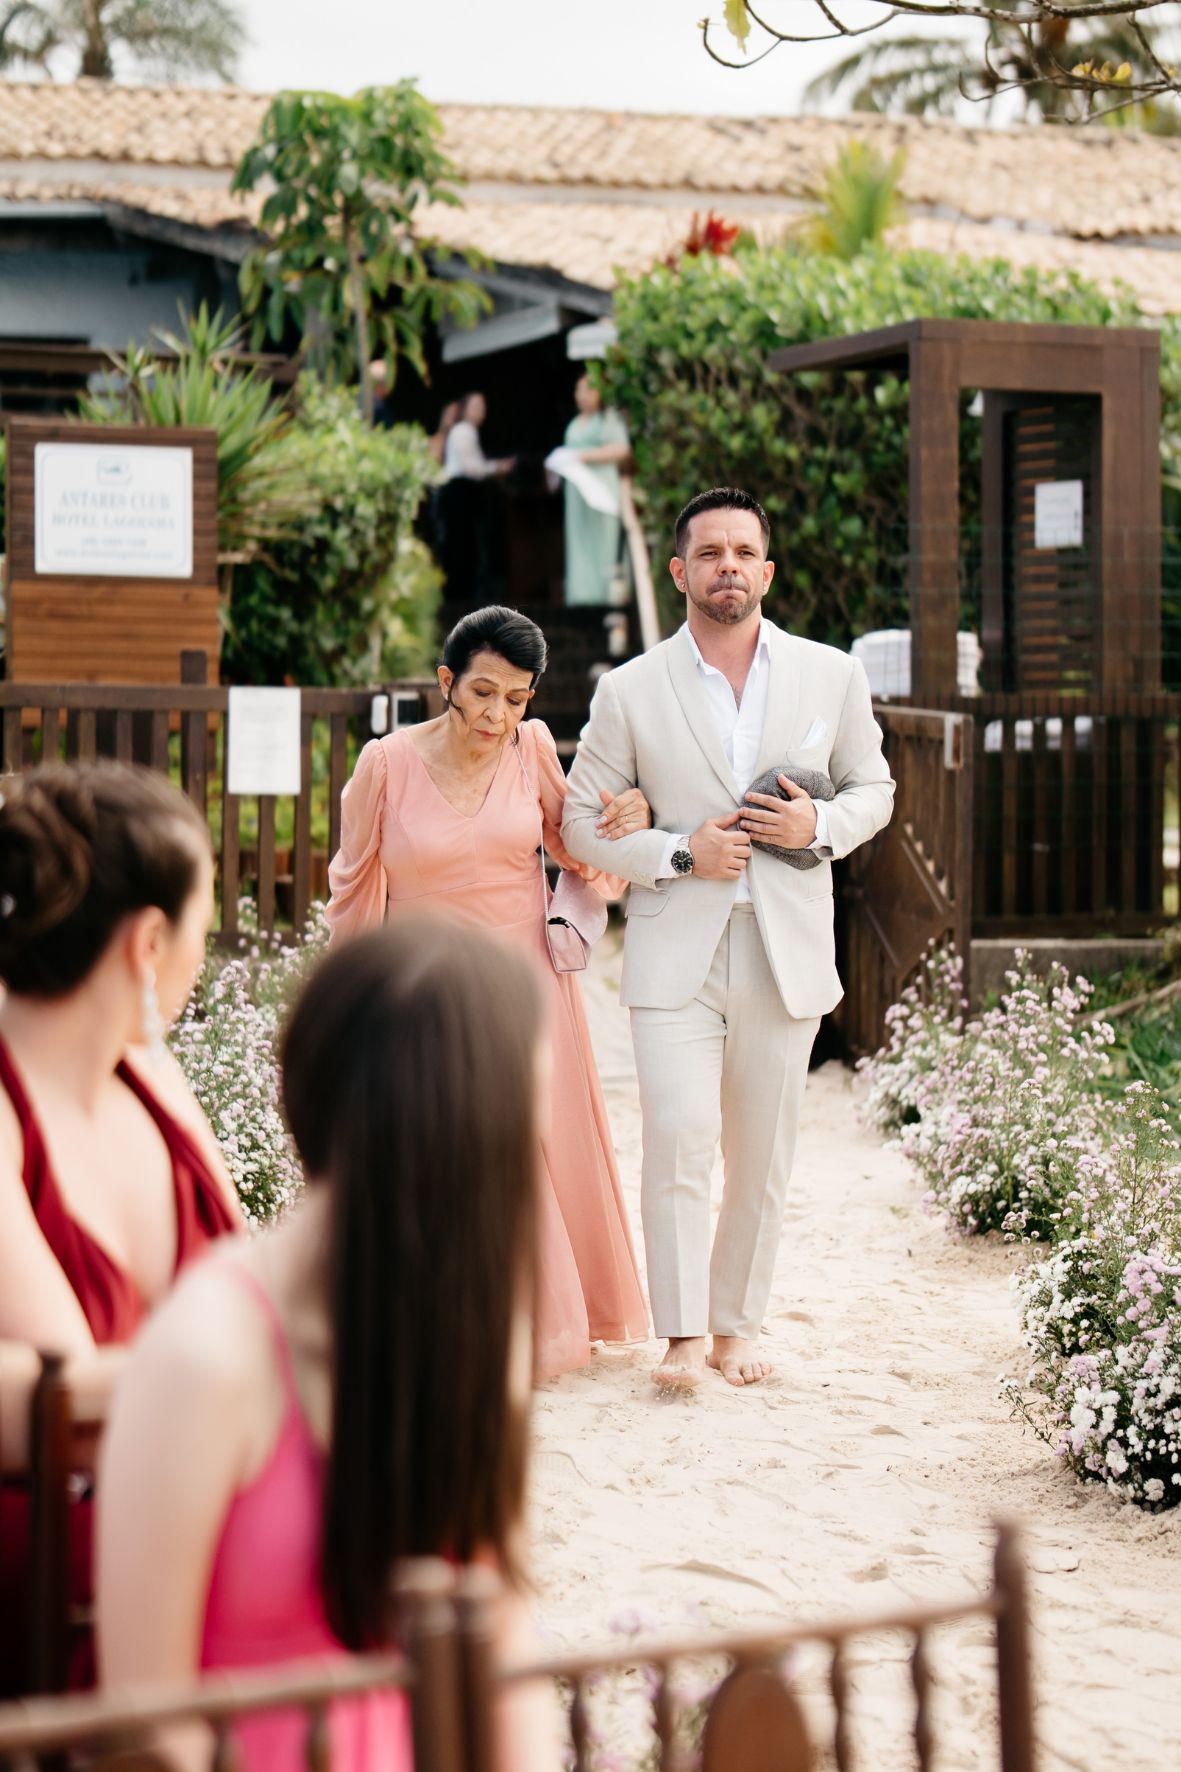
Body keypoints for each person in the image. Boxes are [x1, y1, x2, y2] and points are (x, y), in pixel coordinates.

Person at [97, 922, 560, 1772]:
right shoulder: (206, 1358)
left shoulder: (469, 1321)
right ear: (459, 1137)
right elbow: (147, 1727)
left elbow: (499, 1629)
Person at [561, 488, 894, 1391]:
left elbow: (875, 790)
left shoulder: (832, 675)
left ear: (767, 570)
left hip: (786, 950)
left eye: (744, 553)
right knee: (676, 1131)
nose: (728, 568)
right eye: (710, 553)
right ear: (679, 572)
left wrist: (815, 825)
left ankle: (736, 1325)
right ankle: (678, 1335)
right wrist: (676, 850)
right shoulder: (626, 690)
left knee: (762, 1148)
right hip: (676, 947)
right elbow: (580, 824)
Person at [326, 606, 649, 1378]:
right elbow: (353, 889)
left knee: (523, 1147)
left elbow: (578, 850)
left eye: (515, 698)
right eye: (481, 693)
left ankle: (532, 1327)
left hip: (524, 983)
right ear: (446, 683)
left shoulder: (532, 749)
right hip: (421, 989)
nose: (496, 715)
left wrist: (626, 820)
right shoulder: (385, 765)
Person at [0, 761, 241, 1693]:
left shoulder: (155, 1081)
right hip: (51, 1620)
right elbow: (51, 1396)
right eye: (202, 927)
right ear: (149, 943)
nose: (202, 952)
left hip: (193, 1565)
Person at [559, 374, 631, 607]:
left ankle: (605, 595)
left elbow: (621, 450)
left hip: (601, 487)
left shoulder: (608, 418)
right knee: (578, 539)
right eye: (579, 390)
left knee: (604, 538)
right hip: (576, 490)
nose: (582, 395)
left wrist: (584, 456)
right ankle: (581, 594)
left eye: (588, 389)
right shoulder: (574, 422)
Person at [438, 392, 514, 602]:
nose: (481, 410)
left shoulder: (466, 431)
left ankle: (460, 594)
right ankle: (458, 597)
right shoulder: (464, 431)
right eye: (476, 405)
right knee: (461, 546)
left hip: (463, 493)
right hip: (459, 493)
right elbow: (472, 468)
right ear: (465, 409)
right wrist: (496, 467)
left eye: (483, 406)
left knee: (464, 546)